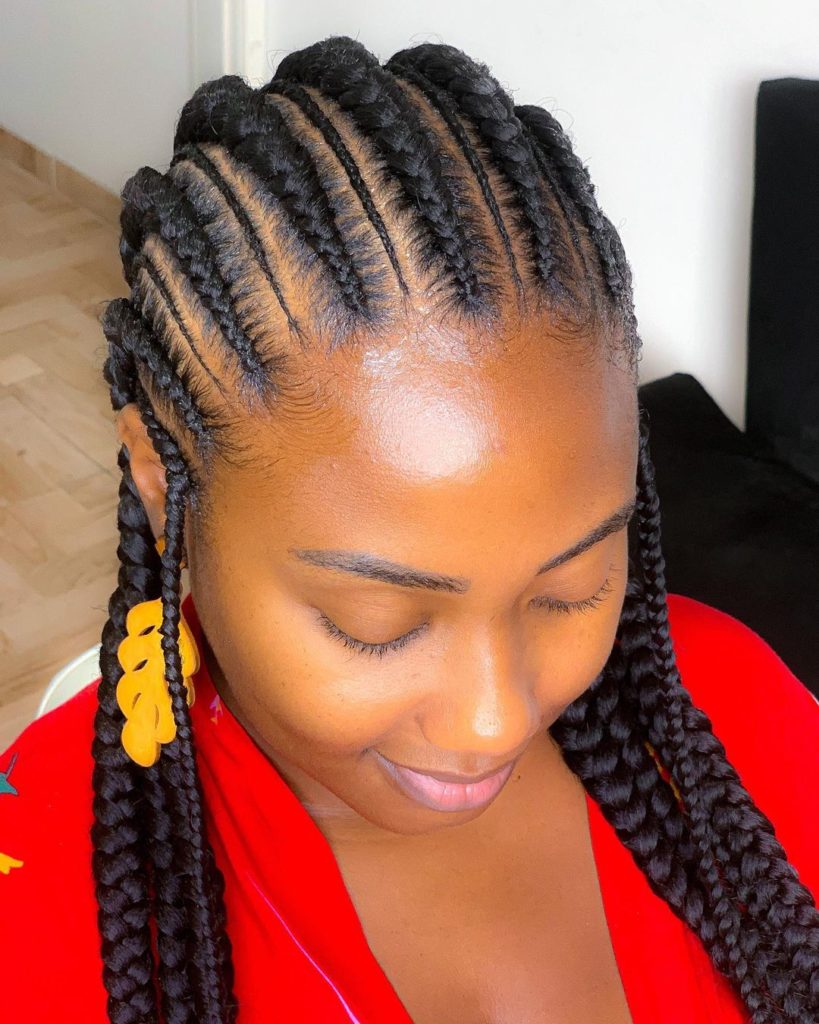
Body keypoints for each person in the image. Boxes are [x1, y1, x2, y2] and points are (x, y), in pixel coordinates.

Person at [1, 34, 817, 1024]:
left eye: (570, 590)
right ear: (161, 484)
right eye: (376, 624)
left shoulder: (740, 709)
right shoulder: (34, 896)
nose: (495, 720)